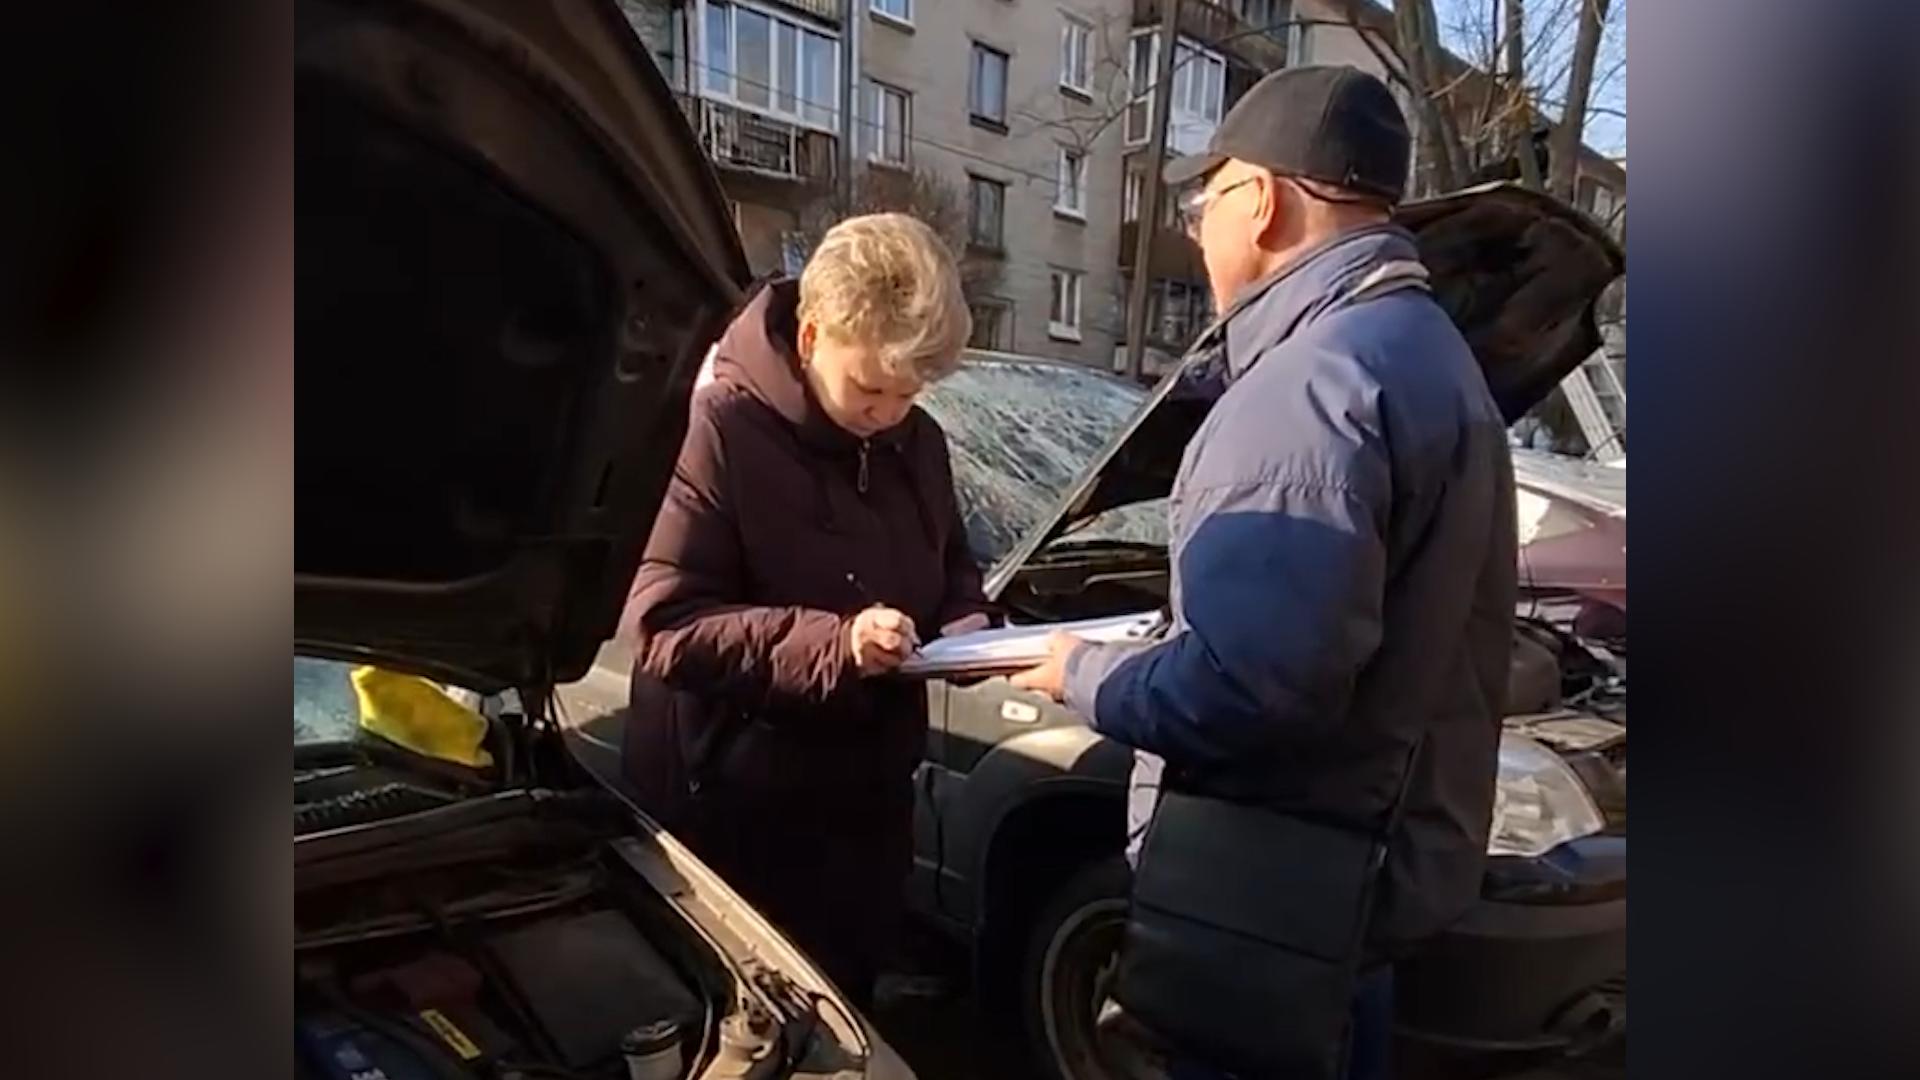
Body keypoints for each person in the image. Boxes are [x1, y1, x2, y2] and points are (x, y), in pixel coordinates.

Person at [1011, 66, 1516, 1080]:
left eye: (1207, 201)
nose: (1198, 228)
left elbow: (1249, 691)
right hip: (1351, 902)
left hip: (1263, 910)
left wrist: (1082, 671)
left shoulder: (1309, 384)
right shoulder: (1432, 356)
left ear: (1266, 200)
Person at [619, 213, 994, 1006]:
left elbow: (954, 563)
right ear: (813, 334)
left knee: (846, 1005)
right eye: (871, 387)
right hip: (735, 811)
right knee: (751, 1029)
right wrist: (839, 645)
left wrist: (971, 632)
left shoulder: (917, 443)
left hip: (867, 806)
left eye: (909, 392)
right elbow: (663, 623)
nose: (889, 412)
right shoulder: (717, 428)